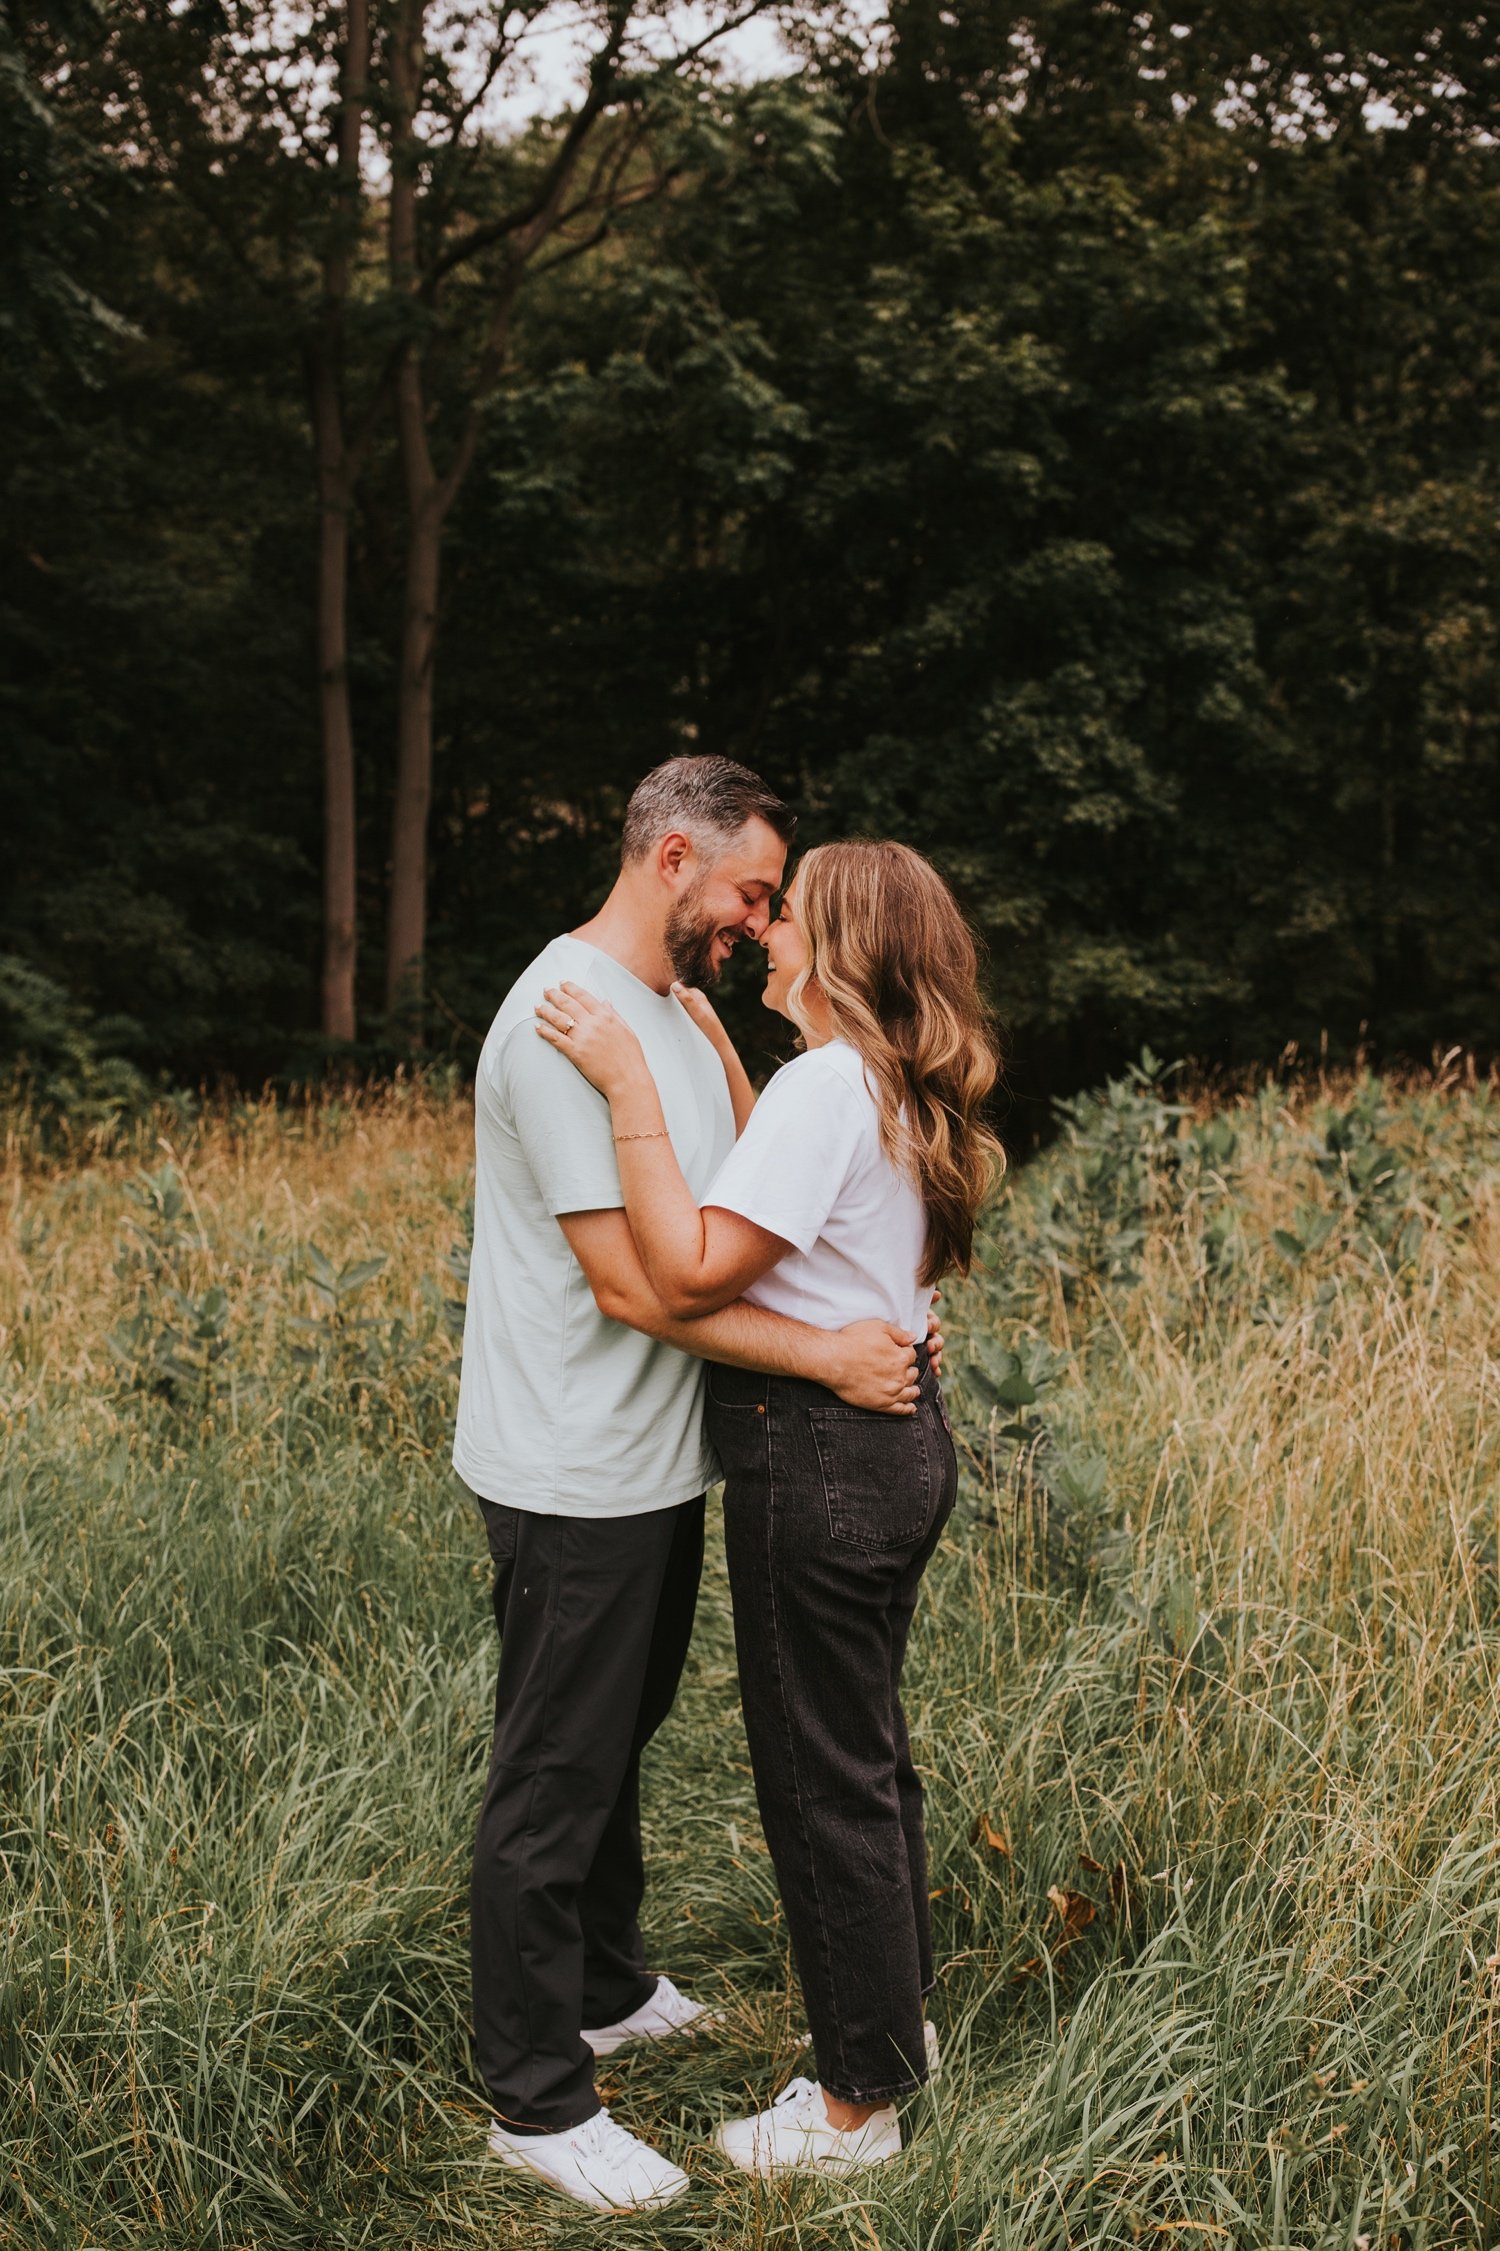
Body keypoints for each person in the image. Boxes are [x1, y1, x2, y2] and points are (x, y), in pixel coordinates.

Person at [454, 760, 928, 2216]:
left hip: (656, 1463)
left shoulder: (669, 1012)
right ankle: (535, 2098)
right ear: (673, 859)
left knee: (620, 1735)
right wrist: (830, 1361)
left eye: (773, 903)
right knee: (553, 1774)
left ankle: (603, 1984)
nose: (760, 917)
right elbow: (631, 1284)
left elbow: (737, 1205)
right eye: (750, 891)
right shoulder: (563, 1021)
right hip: (573, 1464)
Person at [537, 837, 1002, 2178]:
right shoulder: (873, 1084)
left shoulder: (826, 1091)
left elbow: (685, 1272)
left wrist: (630, 1080)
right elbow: (770, 1175)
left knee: (820, 1782)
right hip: (896, 1446)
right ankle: (890, 2030)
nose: (763, 931)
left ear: (838, 945)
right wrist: (716, 1055)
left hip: (817, 1462)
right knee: (867, 1761)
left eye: (786, 914)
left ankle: (856, 2107)